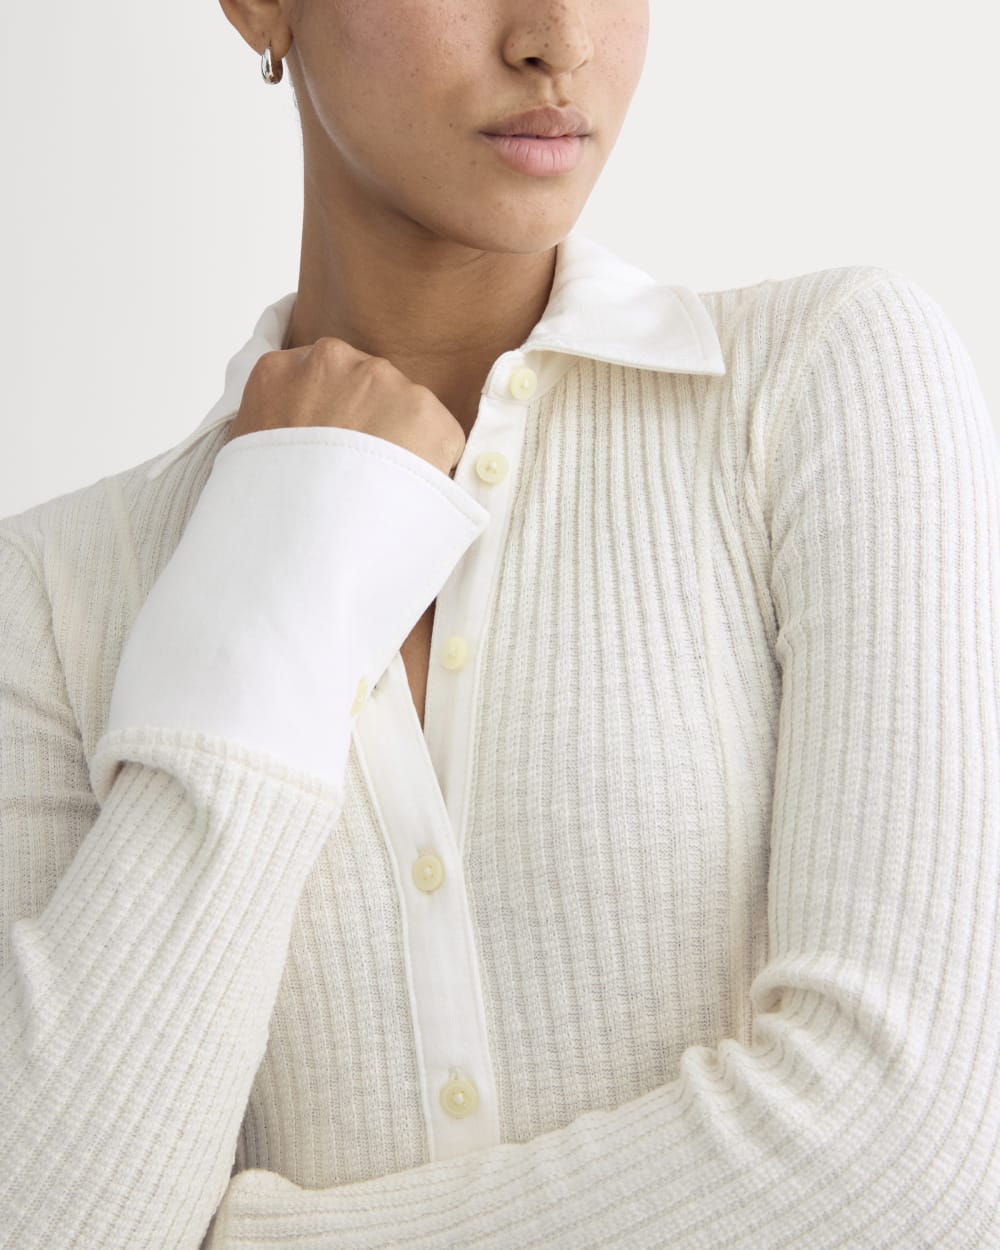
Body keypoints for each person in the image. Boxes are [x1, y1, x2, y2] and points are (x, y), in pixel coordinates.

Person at [1, 1, 997, 1247]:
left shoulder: (820, 386)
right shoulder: (50, 594)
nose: (557, 38)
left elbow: (913, 1153)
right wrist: (271, 562)